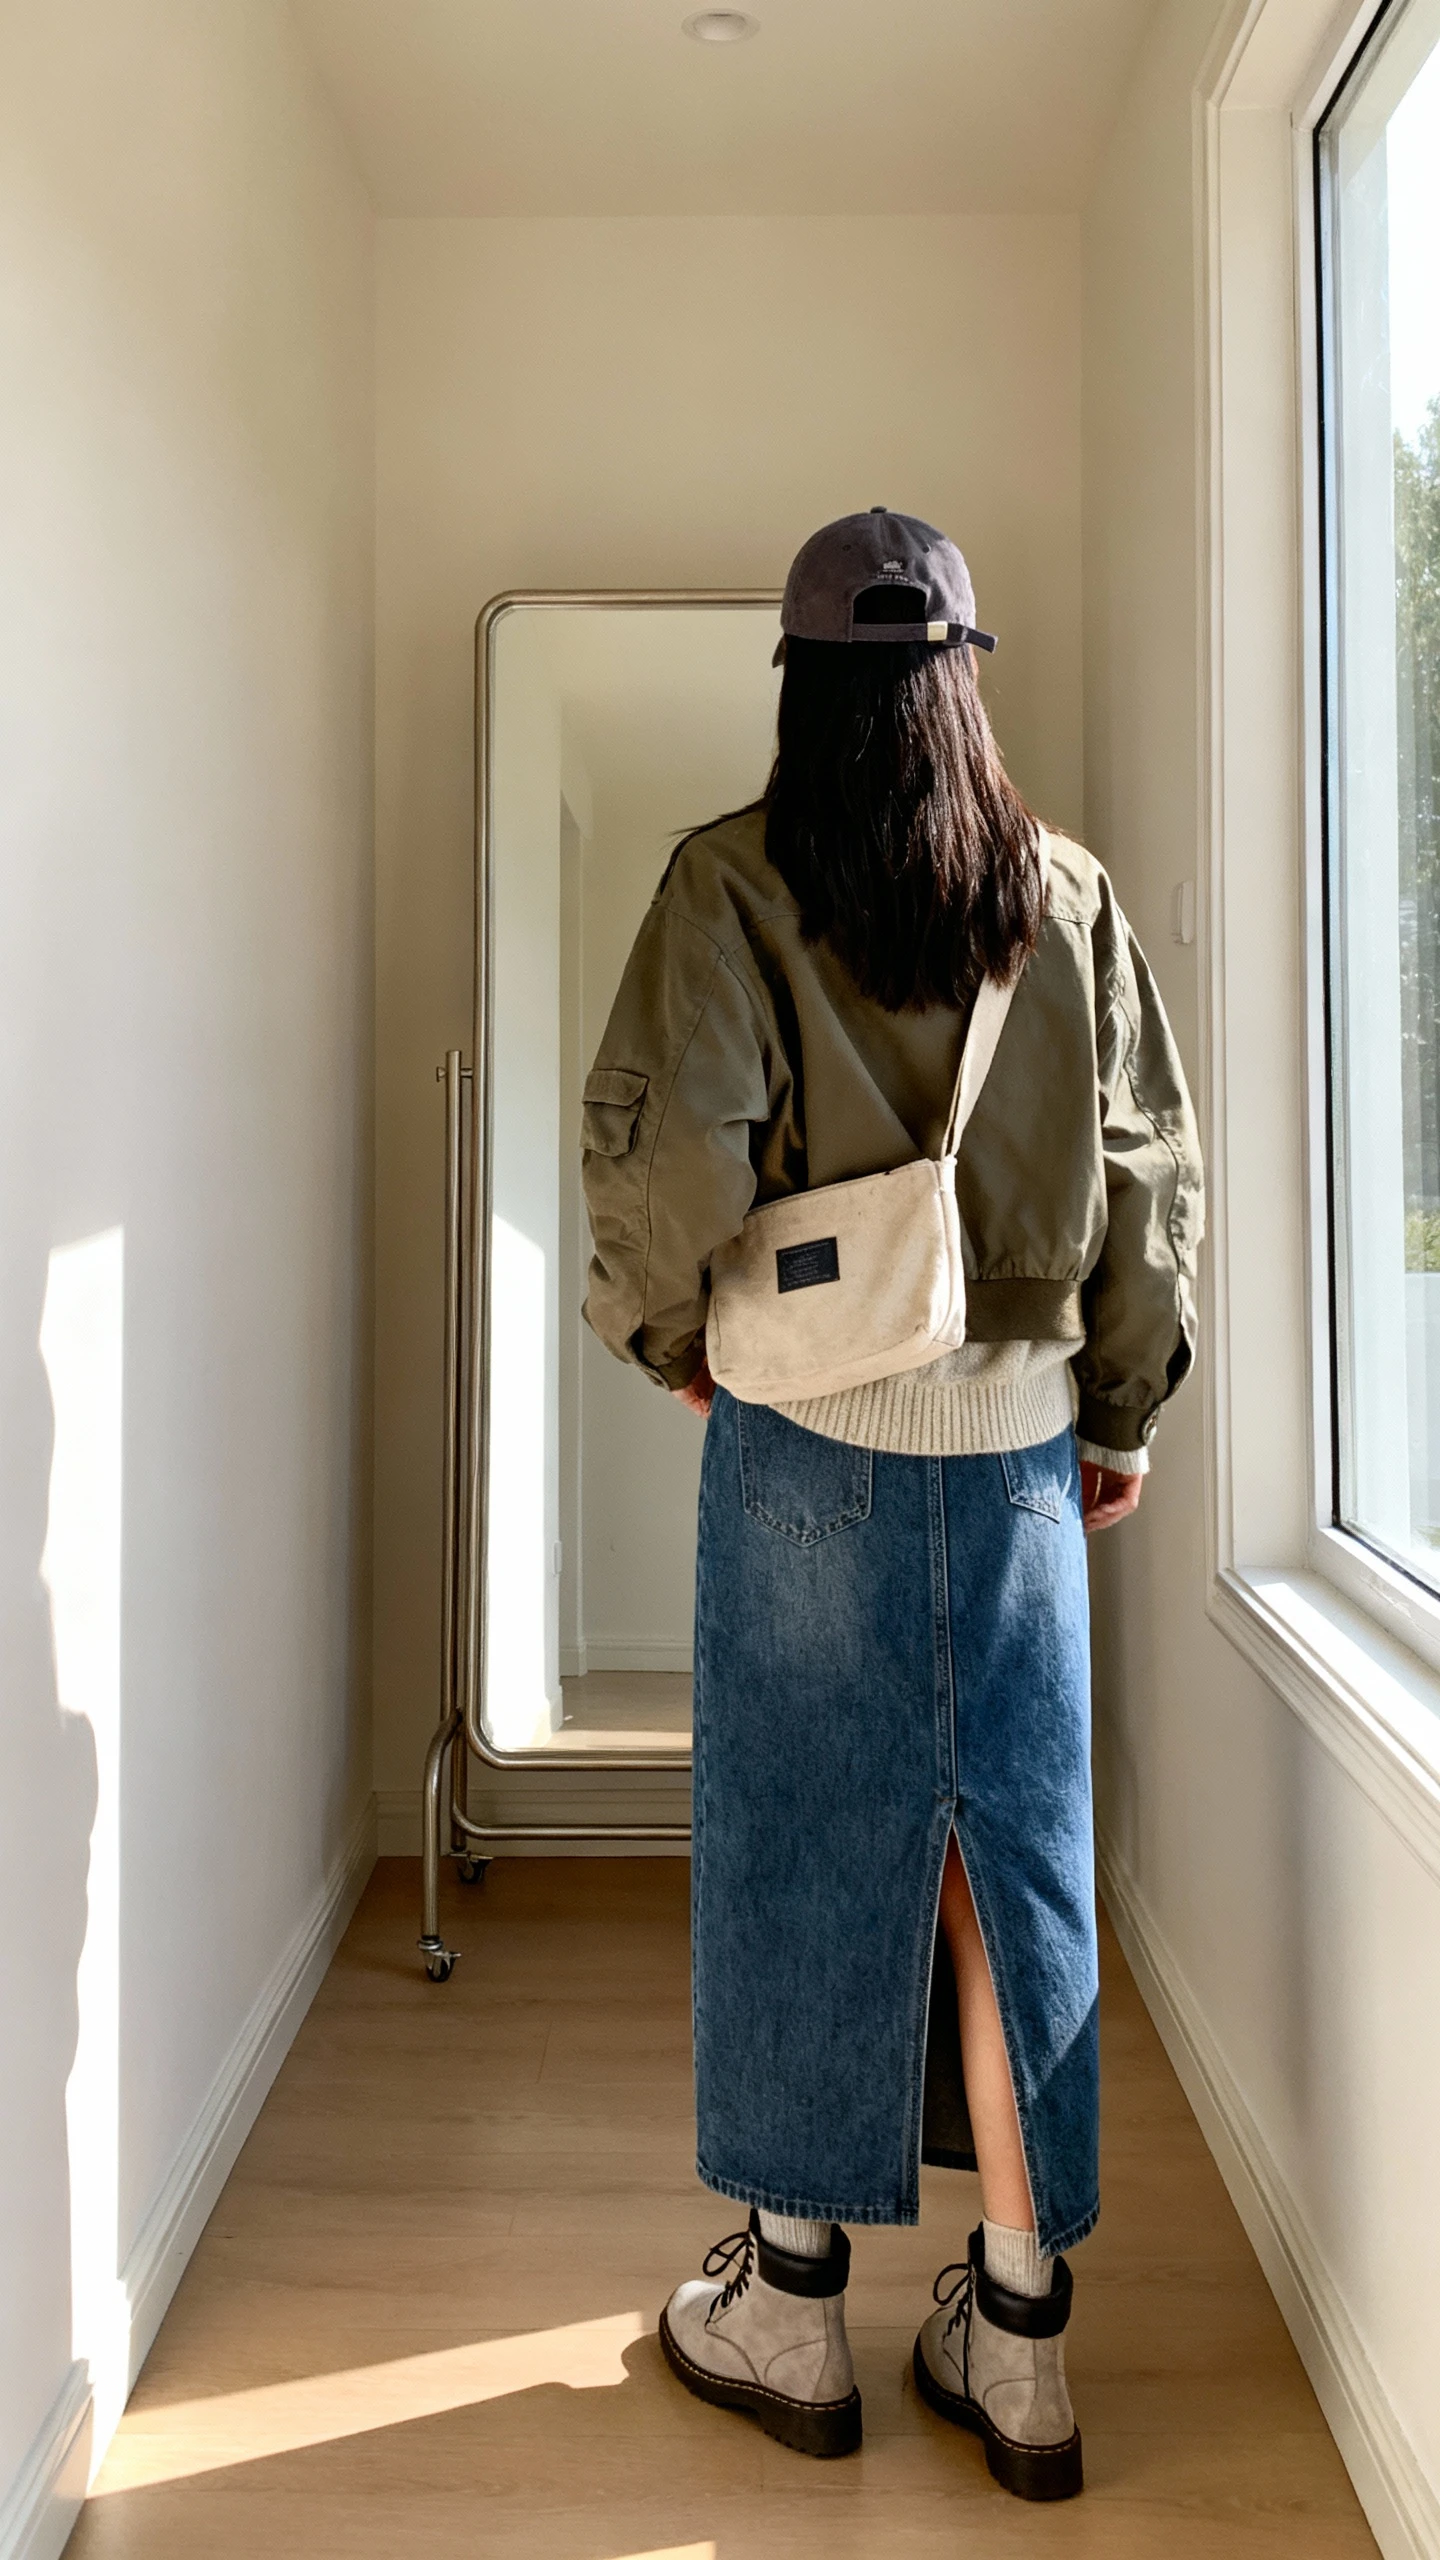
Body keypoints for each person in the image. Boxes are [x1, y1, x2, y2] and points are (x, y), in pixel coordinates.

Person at [580, 508, 1203, 2501]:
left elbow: (665, 1158)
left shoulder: (727, 880)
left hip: (803, 1448)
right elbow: (1147, 1174)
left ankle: (789, 2308)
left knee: (801, 1850)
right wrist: (1120, 1410)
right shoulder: (1066, 894)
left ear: (802, 684)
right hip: (1017, 1457)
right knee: (1005, 1876)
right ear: (961, 683)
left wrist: (667, 1336)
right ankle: (1020, 2345)